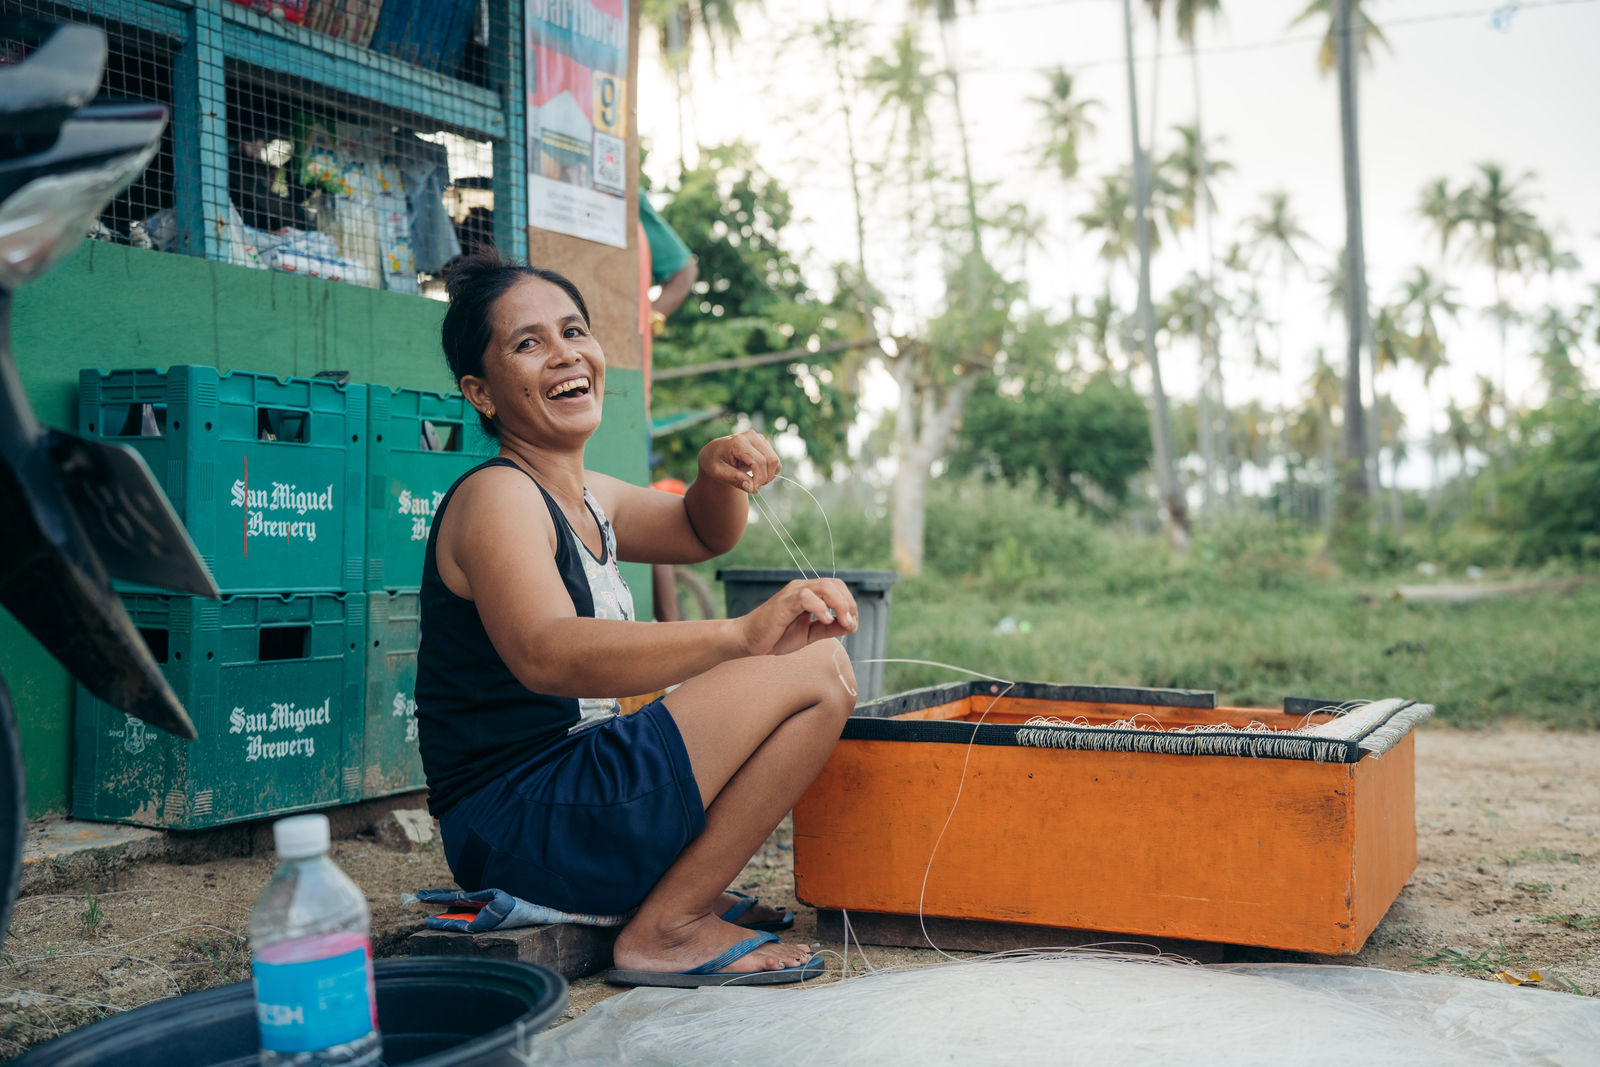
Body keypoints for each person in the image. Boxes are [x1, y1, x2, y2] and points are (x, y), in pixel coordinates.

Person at [416, 249, 859, 986]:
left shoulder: (591, 493)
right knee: (815, 670)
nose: (564, 354)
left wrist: (716, 473)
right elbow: (547, 652)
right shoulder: (497, 497)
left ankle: (670, 896)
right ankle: (669, 926)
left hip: (577, 796)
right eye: (528, 344)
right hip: (522, 821)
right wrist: (737, 636)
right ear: (481, 392)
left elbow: (700, 531)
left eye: (574, 330)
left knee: (816, 669)